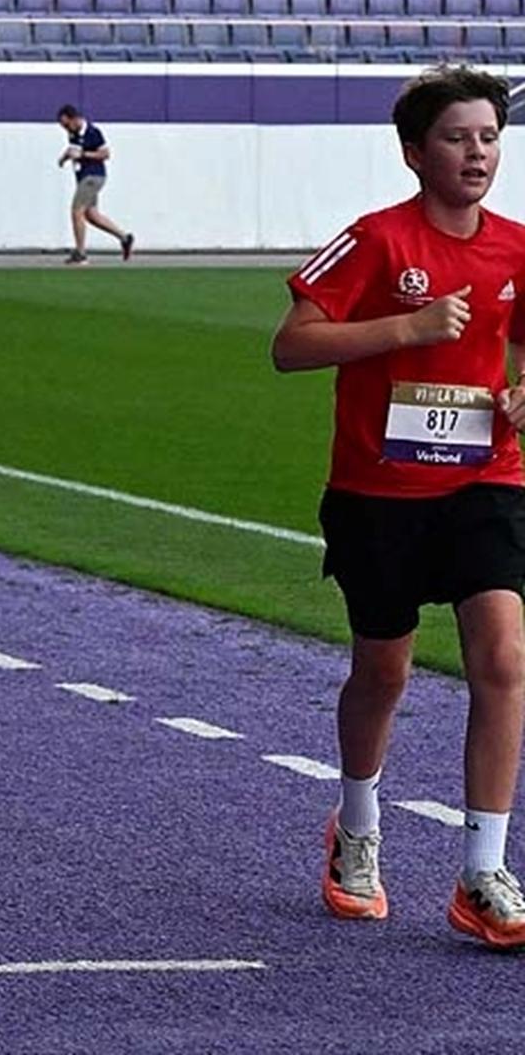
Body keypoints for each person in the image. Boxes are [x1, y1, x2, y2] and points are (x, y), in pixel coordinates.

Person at [271, 64, 525, 949]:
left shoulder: (515, 248)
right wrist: (406, 328)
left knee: (504, 654)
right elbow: (291, 346)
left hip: (485, 479)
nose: (477, 153)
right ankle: (356, 825)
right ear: (416, 152)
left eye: (489, 137)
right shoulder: (375, 241)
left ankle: (483, 872)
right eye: (458, 138)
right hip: (378, 493)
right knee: (384, 671)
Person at [56, 104, 134, 266]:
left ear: (75, 119)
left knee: (77, 211)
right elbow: (73, 150)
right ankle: (124, 238)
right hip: (83, 176)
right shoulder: (73, 134)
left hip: (93, 176)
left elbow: (105, 154)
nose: (66, 129)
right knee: (91, 215)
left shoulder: (92, 132)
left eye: (67, 124)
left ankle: (81, 253)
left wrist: (84, 154)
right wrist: (65, 157)